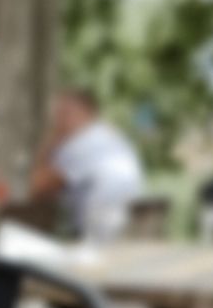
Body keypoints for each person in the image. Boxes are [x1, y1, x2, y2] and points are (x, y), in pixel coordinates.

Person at [29, 89, 144, 239]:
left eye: (65, 113)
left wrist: (51, 142)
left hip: (100, 235)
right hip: (128, 230)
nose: (58, 121)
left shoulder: (79, 143)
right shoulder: (111, 136)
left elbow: (37, 189)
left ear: (88, 113)